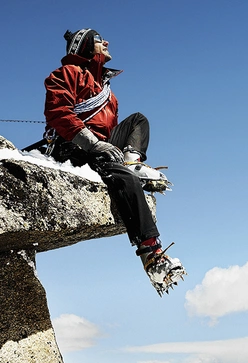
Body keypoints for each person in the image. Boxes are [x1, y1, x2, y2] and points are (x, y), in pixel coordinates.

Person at [43, 28, 185, 295]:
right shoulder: (65, 75)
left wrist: (111, 148)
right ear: (84, 46)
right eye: (99, 41)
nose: (106, 43)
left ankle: (132, 161)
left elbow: (111, 130)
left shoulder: (107, 91)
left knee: (138, 120)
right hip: (75, 145)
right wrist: (94, 145)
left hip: (101, 143)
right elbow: (58, 112)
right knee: (125, 180)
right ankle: (151, 252)